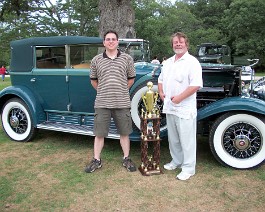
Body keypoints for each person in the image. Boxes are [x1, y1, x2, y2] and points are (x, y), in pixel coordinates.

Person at [85, 30, 137, 173]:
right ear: (104, 43)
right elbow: (93, 80)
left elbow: (131, 79)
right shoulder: (96, 60)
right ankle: (97, 160)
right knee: (99, 133)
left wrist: (120, 90)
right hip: (102, 103)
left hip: (122, 102)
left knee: (125, 133)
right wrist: (103, 91)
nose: (111, 41)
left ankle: (126, 158)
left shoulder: (127, 59)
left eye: (113, 39)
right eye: (108, 39)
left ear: (117, 41)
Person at [158, 32, 203, 181]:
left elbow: (195, 85)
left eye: (181, 42)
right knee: (174, 138)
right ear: (172, 45)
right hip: (170, 106)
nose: (178, 44)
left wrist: (179, 98)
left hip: (185, 108)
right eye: (175, 42)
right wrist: (161, 92)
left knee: (187, 140)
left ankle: (189, 168)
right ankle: (176, 161)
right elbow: (161, 79)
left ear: (186, 44)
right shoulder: (168, 62)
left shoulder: (192, 62)